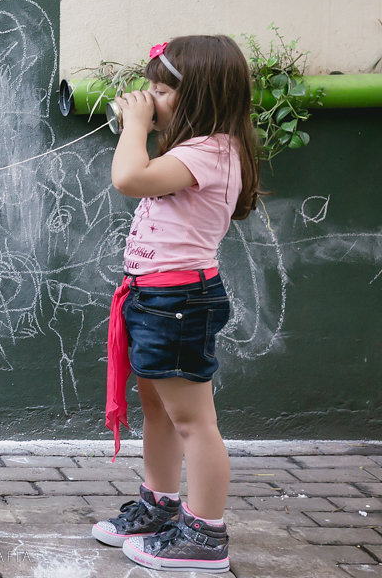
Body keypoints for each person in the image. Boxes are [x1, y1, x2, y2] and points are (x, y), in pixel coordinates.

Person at [91, 35, 261, 573]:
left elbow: (129, 178)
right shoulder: (199, 150)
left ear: (200, 98)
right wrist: (147, 122)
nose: (150, 97)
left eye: (161, 90)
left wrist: (134, 127)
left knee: (193, 421)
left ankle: (206, 535)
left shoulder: (208, 153)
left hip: (179, 300)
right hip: (155, 297)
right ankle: (161, 506)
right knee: (159, 413)